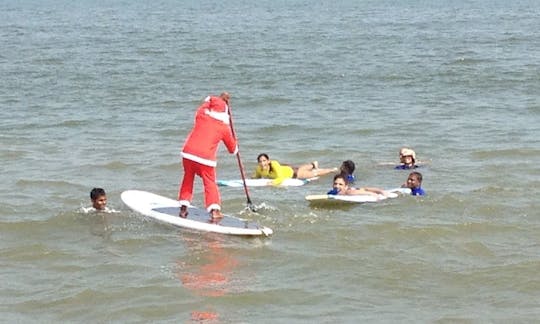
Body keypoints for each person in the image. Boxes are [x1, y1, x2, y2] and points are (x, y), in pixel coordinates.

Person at [178, 92, 238, 220]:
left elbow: (204, 105)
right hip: (205, 158)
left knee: (188, 178)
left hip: (188, 153)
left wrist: (216, 98)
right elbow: (233, 150)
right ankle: (214, 211)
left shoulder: (201, 115)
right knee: (209, 183)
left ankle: (183, 208)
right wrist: (236, 145)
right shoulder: (224, 127)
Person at [253, 153, 337, 185]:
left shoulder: (274, 164)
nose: (262, 163)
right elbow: (257, 177)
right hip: (287, 168)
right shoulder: (258, 169)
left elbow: (281, 178)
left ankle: (331, 170)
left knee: (314, 174)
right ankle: (313, 164)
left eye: (264, 161)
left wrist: (273, 183)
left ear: (268, 161)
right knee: (300, 168)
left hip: (292, 173)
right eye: (260, 161)